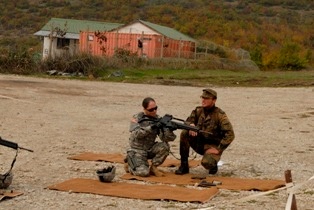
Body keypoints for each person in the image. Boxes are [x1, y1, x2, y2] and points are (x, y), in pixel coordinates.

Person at [175, 88, 235, 175]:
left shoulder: (220, 115)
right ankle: (184, 166)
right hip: (199, 142)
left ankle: (213, 164)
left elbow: (230, 134)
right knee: (185, 132)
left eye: (206, 98)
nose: (203, 100)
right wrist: (191, 125)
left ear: (214, 100)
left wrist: (219, 149)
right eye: (202, 98)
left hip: (212, 146)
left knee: (207, 163)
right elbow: (188, 120)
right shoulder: (198, 110)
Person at [125, 97, 176, 177]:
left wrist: (170, 130)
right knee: (143, 173)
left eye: (155, 108)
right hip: (137, 150)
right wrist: (152, 127)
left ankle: (154, 167)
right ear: (144, 109)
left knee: (165, 146)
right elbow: (136, 134)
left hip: (149, 148)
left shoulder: (158, 119)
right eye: (151, 110)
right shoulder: (137, 118)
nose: (154, 111)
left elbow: (165, 139)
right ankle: (129, 164)